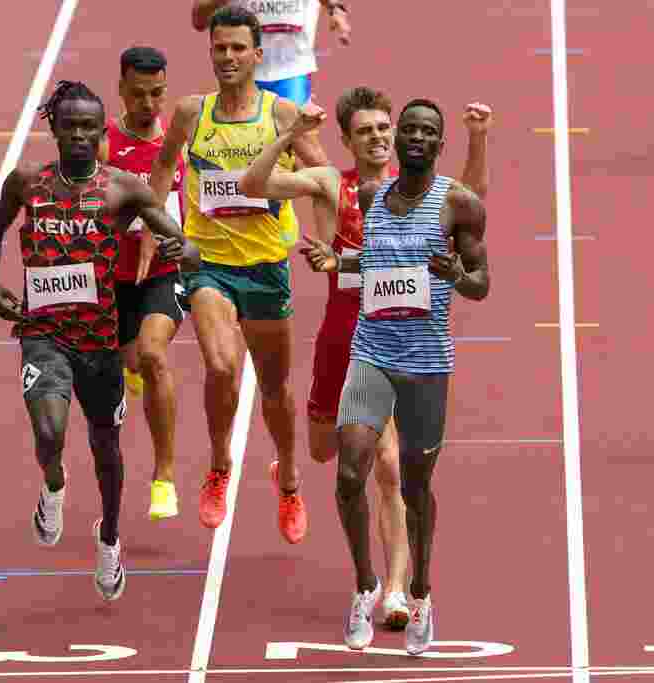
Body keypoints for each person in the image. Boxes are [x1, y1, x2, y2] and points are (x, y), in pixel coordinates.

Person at [239, 89, 492, 630]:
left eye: (384, 127)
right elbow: (254, 186)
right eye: (367, 131)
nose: (378, 137)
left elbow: (469, 207)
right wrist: (289, 135)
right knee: (327, 453)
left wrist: (477, 139)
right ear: (349, 140)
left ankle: (396, 591)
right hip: (341, 331)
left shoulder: (435, 195)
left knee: (391, 467)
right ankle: (289, 470)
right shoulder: (335, 183)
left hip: (393, 344)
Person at [0, 80, 200, 602]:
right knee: (50, 432)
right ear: (53, 128)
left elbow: (185, 248)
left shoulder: (125, 189)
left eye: (88, 127)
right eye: (69, 125)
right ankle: (53, 484)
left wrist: (181, 247)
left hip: (101, 341)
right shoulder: (26, 183)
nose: (78, 135)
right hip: (44, 333)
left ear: (102, 131)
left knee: (107, 450)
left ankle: (110, 537)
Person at [149, 5, 329, 543]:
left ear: (256, 54)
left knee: (274, 388)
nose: (226, 57)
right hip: (209, 266)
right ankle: (220, 465)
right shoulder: (190, 112)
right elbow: (163, 166)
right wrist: (159, 228)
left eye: (236, 49)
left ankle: (289, 475)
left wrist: (323, 240)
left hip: (267, 268)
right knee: (221, 367)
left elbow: (322, 177)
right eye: (218, 47)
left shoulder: (281, 116)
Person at [98, 46, 189, 521]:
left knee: (154, 355)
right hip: (112, 279)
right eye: (138, 94)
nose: (149, 104)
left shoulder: (178, 145)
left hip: (163, 274)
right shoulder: (104, 143)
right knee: (123, 361)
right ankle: (128, 365)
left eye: (157, 94)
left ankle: (165, 476)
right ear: (121, 90)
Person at [192, 0, 352, 107]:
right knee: (247, 146)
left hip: (292, 72)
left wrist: (336, 10)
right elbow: (198, 19)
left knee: (294, 142)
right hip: (243, 75)